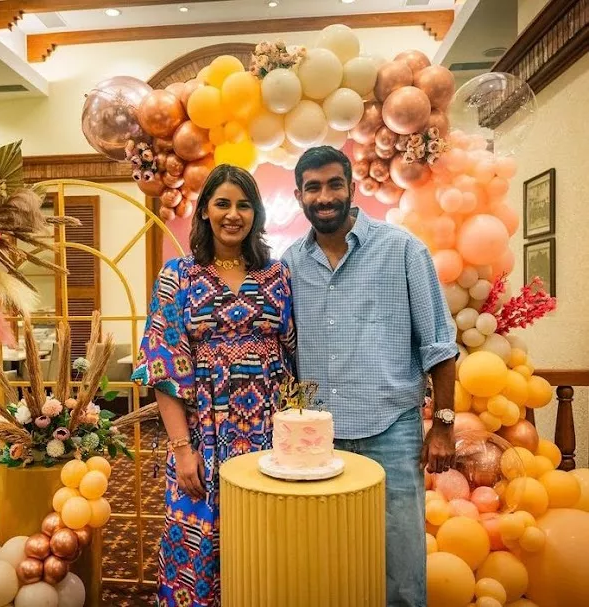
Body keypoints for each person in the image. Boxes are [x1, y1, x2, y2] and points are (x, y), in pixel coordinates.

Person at [282, 146, 457, 607]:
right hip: (318, 439)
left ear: (352, 188)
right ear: (299, 195)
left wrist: (443, 425)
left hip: (392, 432)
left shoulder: (402, 250)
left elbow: (439, 344)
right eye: (313, 188)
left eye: (334, 184)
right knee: (326, 560)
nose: (325, 197)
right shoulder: (289, 263)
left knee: (401, 568)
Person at [132, 164, 296, 607]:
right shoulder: (178, 275)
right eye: (223, 203)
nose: (233, 214)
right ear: (204, 210)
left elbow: (294, 356)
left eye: (244, 205)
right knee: (200, 544)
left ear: (256, 214)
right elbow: (164, 368)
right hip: (202, 433)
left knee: (267, 540)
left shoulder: (278, 275)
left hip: (268, 434)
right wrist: (182, 449)